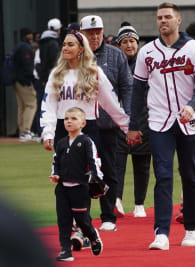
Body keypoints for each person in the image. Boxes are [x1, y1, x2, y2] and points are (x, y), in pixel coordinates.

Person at [126, 2, 195, 250]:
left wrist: (192, 105)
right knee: (162, 175)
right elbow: (138, 91)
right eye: (159, 17)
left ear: (178, 20)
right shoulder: (147, 52)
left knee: (189, 174)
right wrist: (133, 125)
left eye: (168, 17)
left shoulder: (194, 48)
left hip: (188, 120)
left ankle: (192, 228)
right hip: (159, 121)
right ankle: (161, 233)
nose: (163, 21)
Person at [40, 30, 130, 250]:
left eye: (70, 44)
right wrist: (48, 132)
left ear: (81, 49)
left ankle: (83, 229)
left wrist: (129, 127)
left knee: (84, 181)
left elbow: (111, 103)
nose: (65, 48)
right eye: (64, 44)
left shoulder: (94, 72)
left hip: (88, 129)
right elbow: (48, 105)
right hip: (63, 129)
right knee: (64, 180)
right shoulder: (56, 74)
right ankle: (76, 228)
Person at [80, 15, 133, 231]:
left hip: (108, 124)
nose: (94, 36)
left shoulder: (116, 54)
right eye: (90, 33)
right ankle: (82, 217)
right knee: (81, 171)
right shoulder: (74, 55)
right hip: (82, 126)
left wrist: (126, 116)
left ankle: (108, 216)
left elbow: (127, 87)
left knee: (110, 170)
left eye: (97, 32)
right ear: (82, 34)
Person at [50, 107, 103, 261]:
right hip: (62, 188)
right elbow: (56, 162)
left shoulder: (86, 142)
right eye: (66, 119)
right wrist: (55, 174)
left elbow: (94, 162)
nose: (69, 121)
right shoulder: (61, 143)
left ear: (83, 123)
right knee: (64, 219)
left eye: (74, 118)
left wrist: (96, 180)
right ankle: (65, 249)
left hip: (80, 188)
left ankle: (92, 237)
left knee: (82, 220)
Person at [113, 21, 150, 218]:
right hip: (118, 120)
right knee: (117, 162)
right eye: (125, 42)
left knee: (142, 163)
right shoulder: (114, 64)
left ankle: (139, 204)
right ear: (119, 45)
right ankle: (117, 200)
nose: (129, 45)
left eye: (133, 41)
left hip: (143, 118)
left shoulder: (145, 62)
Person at [13, 27, 37, 142]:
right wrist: (30, 79)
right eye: (30, 34)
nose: (31, 35)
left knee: (22, 106)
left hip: (17, 80)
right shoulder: (25, 48)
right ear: (26, 35)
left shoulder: (19, 46)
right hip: (24, 81)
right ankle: (25, 131)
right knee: (31, 104)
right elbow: (27, 66)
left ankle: (22, 131)